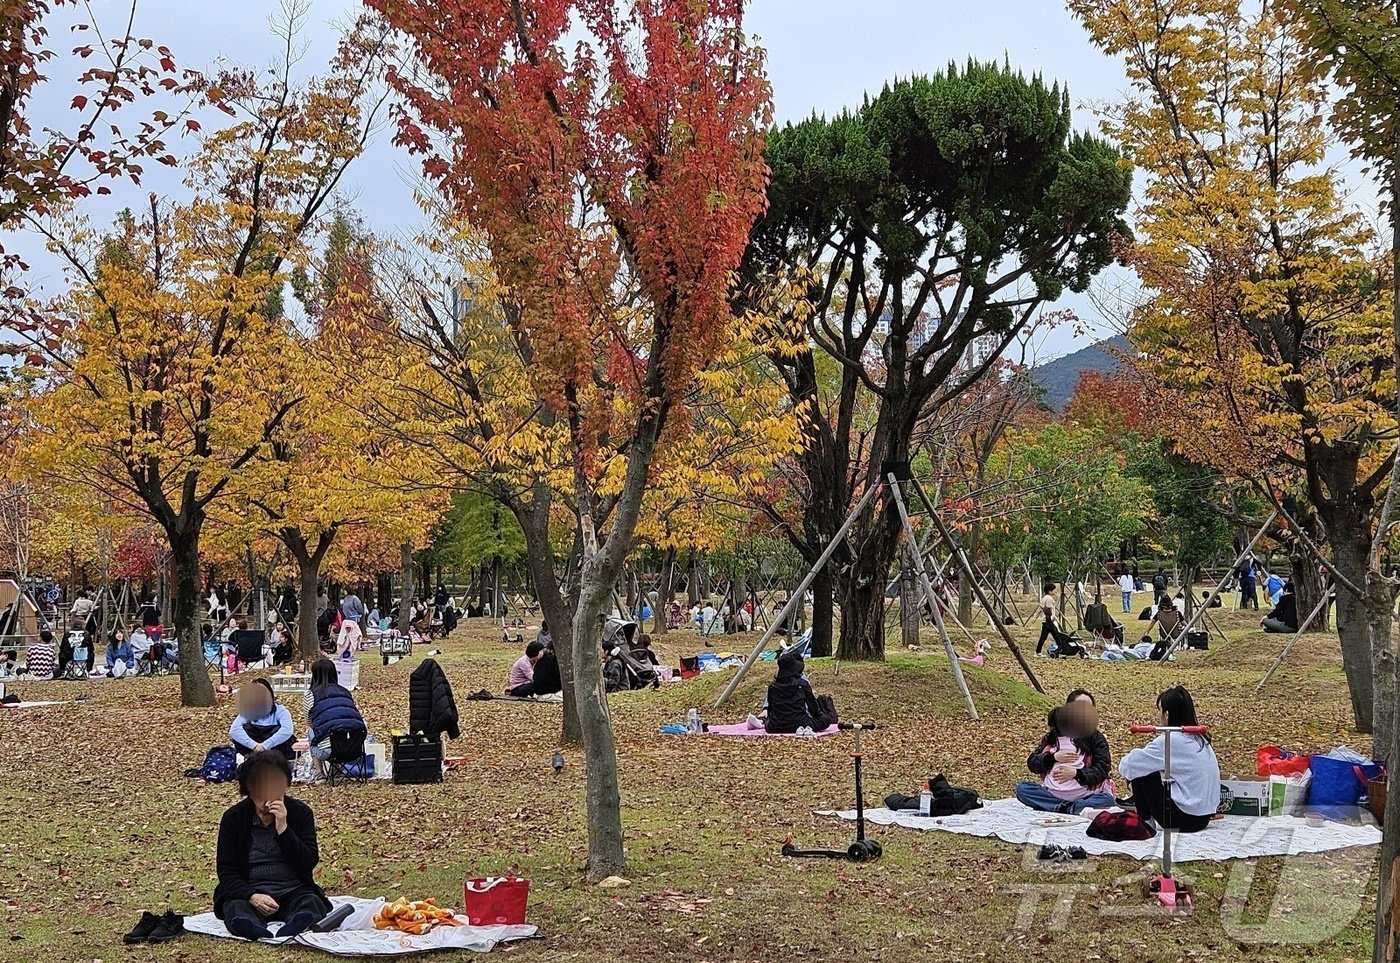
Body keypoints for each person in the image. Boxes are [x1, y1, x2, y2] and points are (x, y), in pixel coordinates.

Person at [213, 751, 332, 940]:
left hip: (292, 889)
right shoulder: (234, 818)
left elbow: (308, 862)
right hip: (250, 891)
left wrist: (283, 828)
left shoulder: (300, 813)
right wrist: (252, 895)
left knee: (310, 903)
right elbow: (227, 869)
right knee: (235, 907)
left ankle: (298, 923)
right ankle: (249, 926)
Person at [1119, 686, 1220, 833]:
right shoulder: (1200, 739)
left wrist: (1133, 774)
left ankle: (1145, 822)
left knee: (1143, 771)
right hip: (1203, 817)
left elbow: (1128, 765)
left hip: (1183, 818)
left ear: (1166, 714)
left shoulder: (1171, 740)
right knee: (1146, 766)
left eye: (1159, 711)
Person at [1015, 690, 1115, 815]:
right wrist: (1052, 758)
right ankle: (1069, 808)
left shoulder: (1095, 737)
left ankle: (1063, 808)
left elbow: (1102, 769)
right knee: (1022, 789)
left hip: (1083, 794)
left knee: (1107, 799)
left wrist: (1077, 774)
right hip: (1053, 792)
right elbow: (1033, 763)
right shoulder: (1053, 736)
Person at [303, 658, 366, 777]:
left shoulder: (310, 694)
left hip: (329, 751)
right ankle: (335, 769)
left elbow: (310, 722)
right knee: (336, 727)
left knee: (312, 731)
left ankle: (319, 772)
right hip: (355, 747)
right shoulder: (345, 691)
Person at [765, 645, 836, 734]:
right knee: (826, 719)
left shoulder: (772, 687)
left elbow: (771, 709)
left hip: (775, 726)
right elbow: (815, 710)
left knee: (768, 721)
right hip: (800, 723)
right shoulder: (802, 685)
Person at [229, 678, 296, 760]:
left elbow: (287, 730)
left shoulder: (280, 711)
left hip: (276, 753)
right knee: (245, 729)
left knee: (280, 733)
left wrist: (265, 746)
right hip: (253, 752)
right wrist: (254, 746)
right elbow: (234, 730)